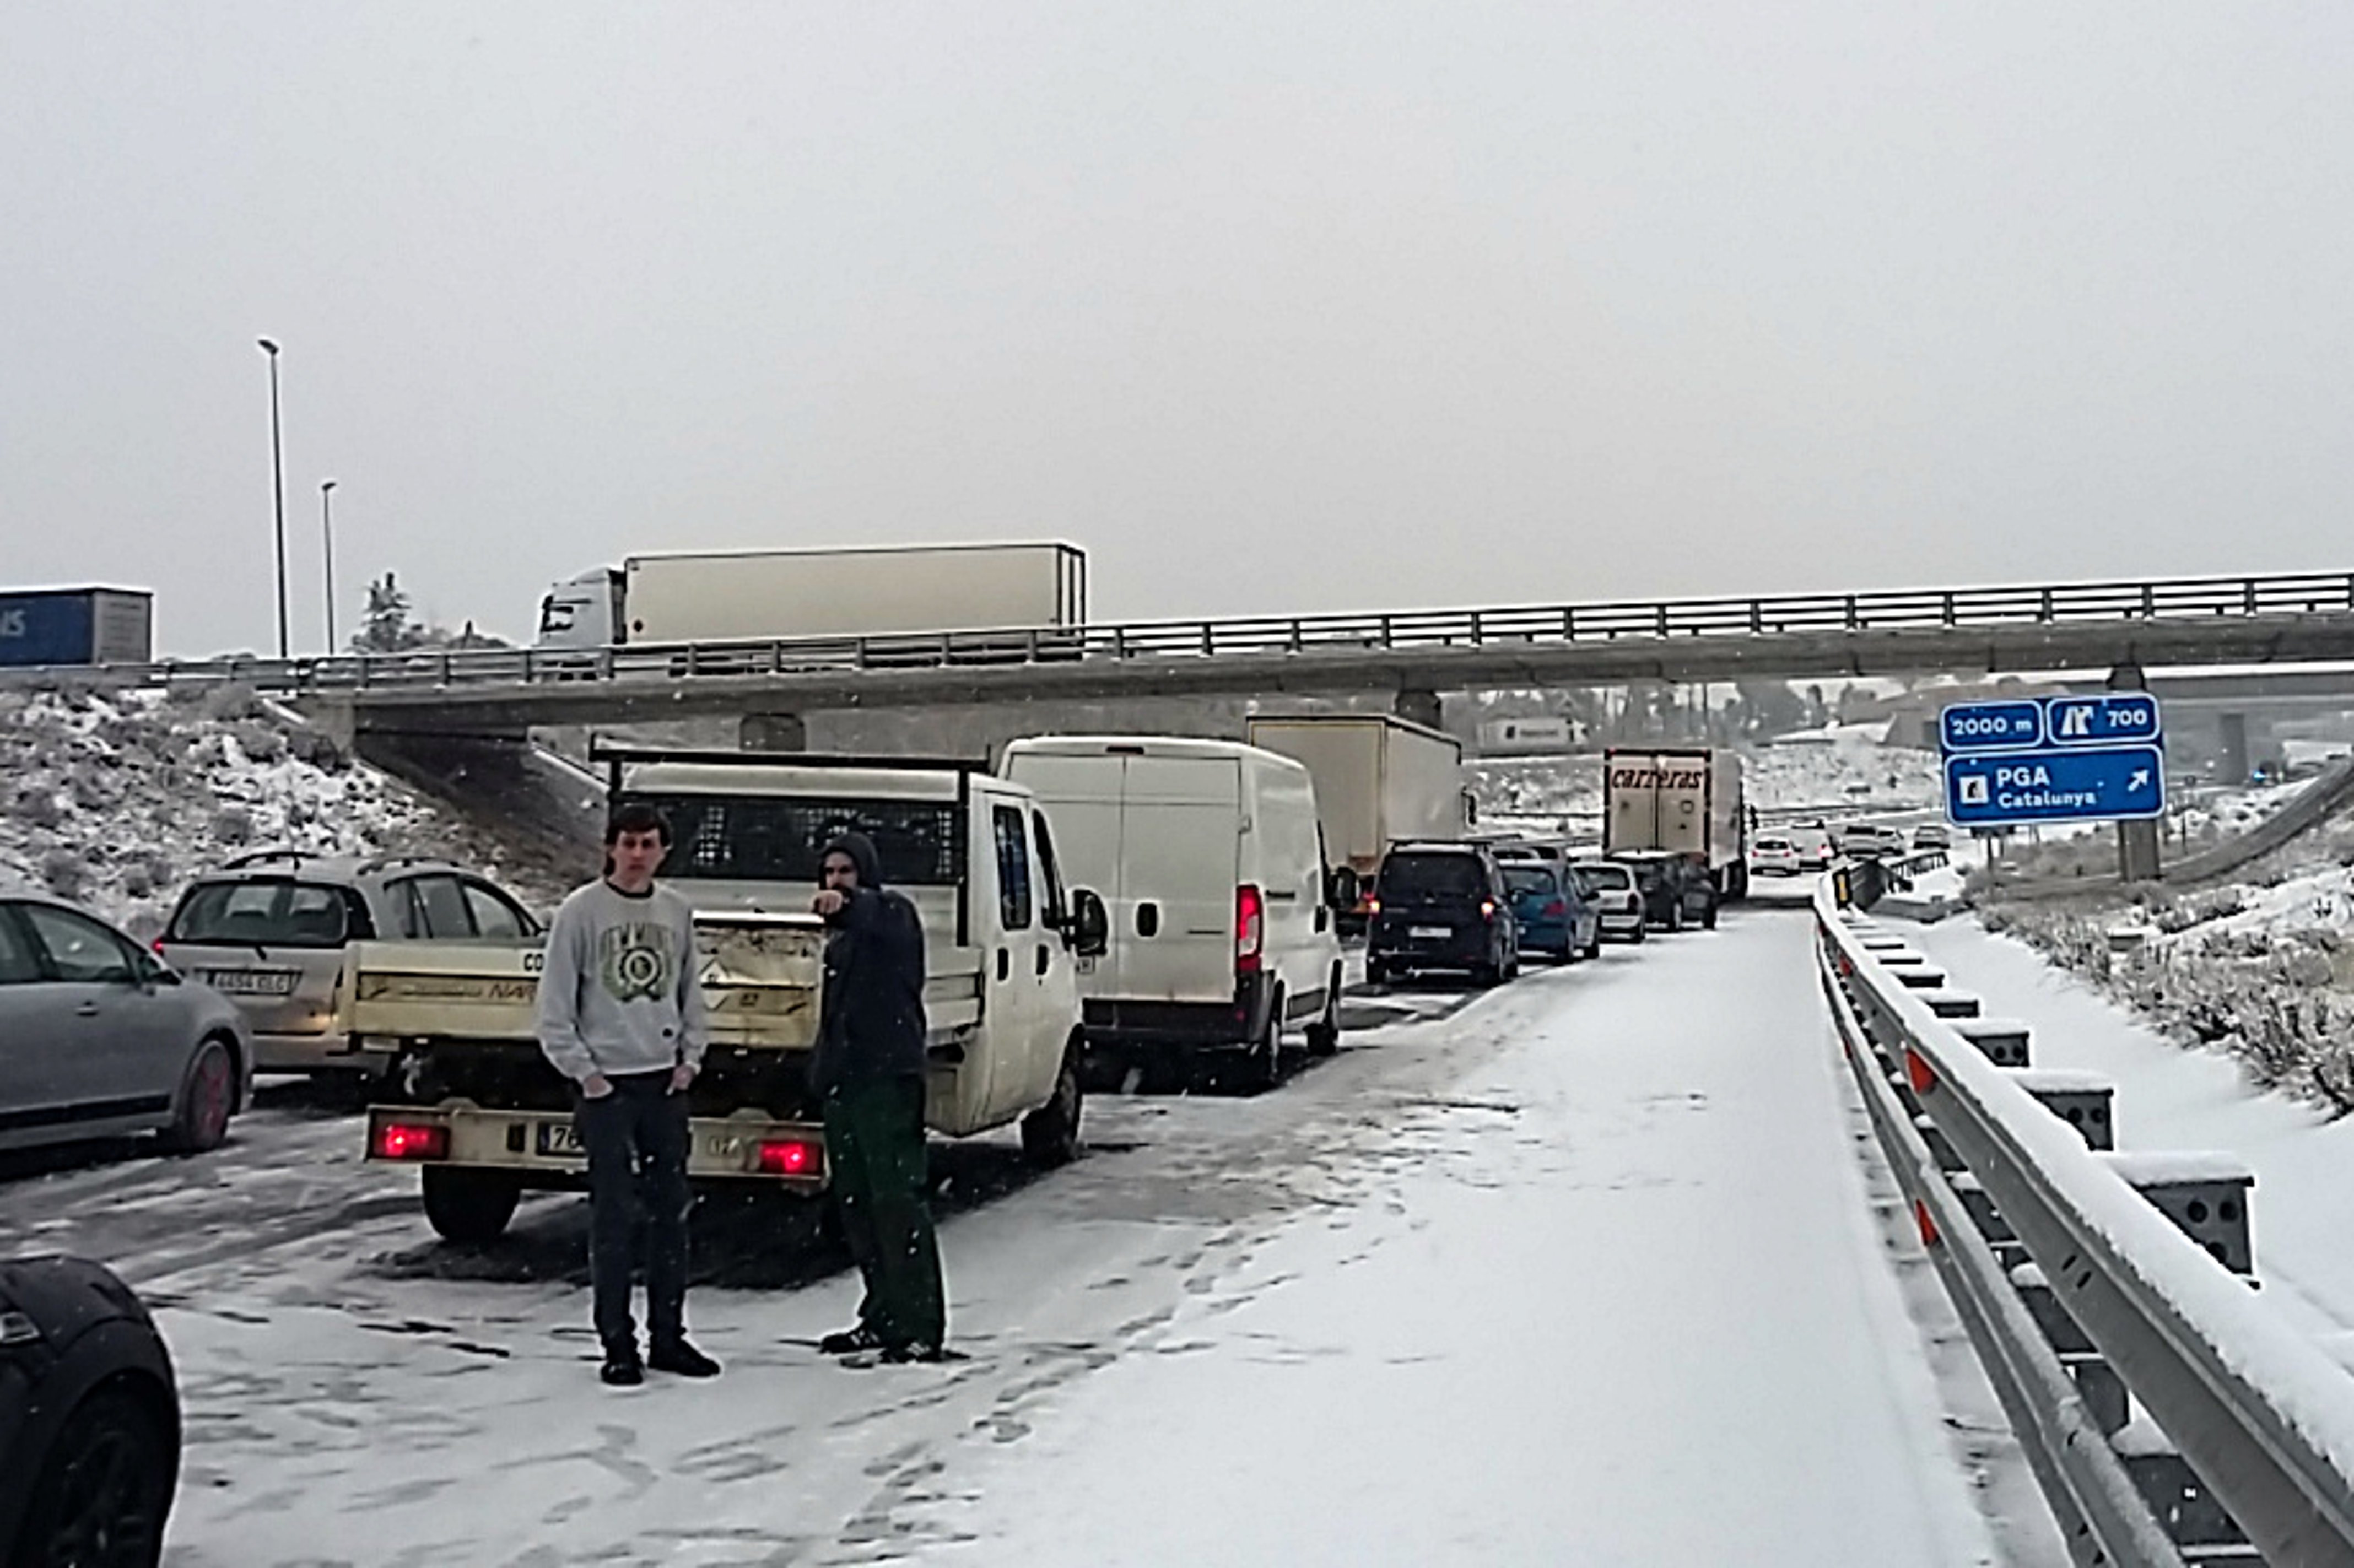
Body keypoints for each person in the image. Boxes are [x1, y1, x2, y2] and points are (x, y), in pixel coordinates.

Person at [536, 803, 722, 1387]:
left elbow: (690, 988)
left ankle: (669, 1334)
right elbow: (555, 1005)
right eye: (628, 842)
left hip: (663, 1081)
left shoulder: (676, 912)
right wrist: (586, 1074)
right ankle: (617, 1341)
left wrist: (691, 1059)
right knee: (614, 1216)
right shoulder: (581, 912)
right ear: (611, 848)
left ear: (663, 850)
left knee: (671, 1213)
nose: (637, 853)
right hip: (607, 1086)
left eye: (648, 843)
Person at [811, 831, 947, 1362]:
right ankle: (881, 1315)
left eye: (845, 870)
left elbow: (871, 913)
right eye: (828, 873)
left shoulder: (893, 916)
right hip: (846, 1083)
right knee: (859, 1206)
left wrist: (849, 903)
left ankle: (919, 1324)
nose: (836, 881)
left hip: (887, 1081)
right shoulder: (841, 942)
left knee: (897, 1202)